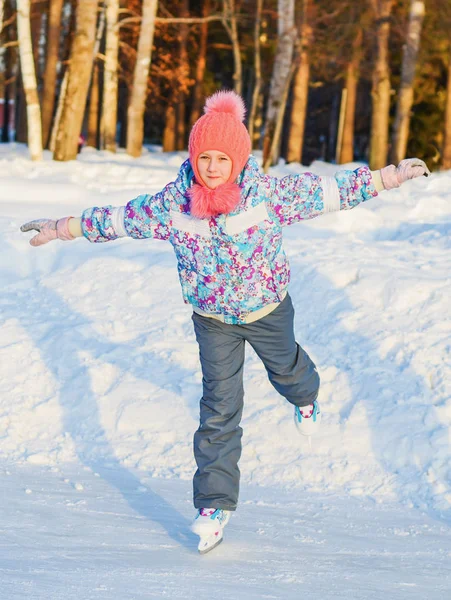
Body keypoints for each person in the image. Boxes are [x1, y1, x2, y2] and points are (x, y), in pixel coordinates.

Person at [20, 90, 430, 554]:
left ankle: (307, 396)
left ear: (238, 159)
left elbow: (329, 192)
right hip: (211, 319)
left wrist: (390, 177)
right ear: (194, 158)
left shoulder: (267, 195)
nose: (213, 167)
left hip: (268, 310)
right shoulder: (173, 205)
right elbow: (119, 220)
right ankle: (214, 506)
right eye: (205, 157)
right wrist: (62, 227)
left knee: (288, 370)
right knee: (218, 406)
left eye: (222, 158)